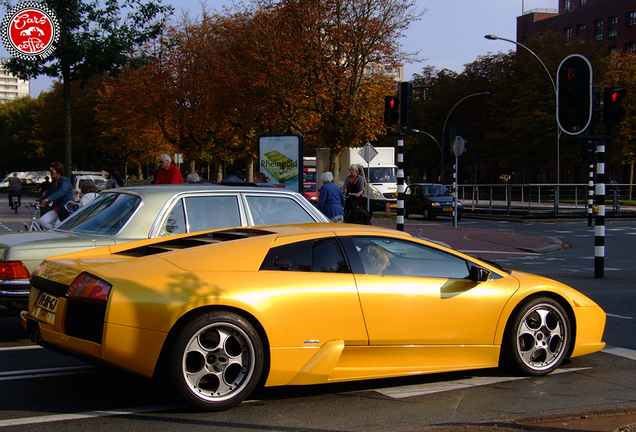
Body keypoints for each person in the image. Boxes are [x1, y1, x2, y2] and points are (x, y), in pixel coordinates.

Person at [36, 162, 74, 229]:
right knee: (43, 221)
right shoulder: (53, 183)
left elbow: (61, 192)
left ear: (58, 171)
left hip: (65, 210)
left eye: (52, 171)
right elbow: (48, 194)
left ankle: (57, 234)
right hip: (57, 209)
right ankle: (53, 234)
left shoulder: (65, 181)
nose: (50, 173)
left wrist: (48, 199)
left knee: (58, 226)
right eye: (50, 171)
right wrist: (37, 201)